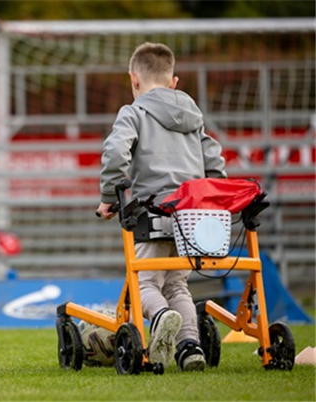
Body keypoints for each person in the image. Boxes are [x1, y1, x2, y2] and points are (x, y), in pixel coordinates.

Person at [96, 42, 227, 371]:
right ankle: (189, 347)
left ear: (133, 79)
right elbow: (215, 164)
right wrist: (210, 202)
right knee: (177, 284)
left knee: (146, 283)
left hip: (150, 215)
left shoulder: (134, 112)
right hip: (192, 218)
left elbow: (115, 154)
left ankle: (161, 317)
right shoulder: (194, 117)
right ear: (173, 82)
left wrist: (109, 199)